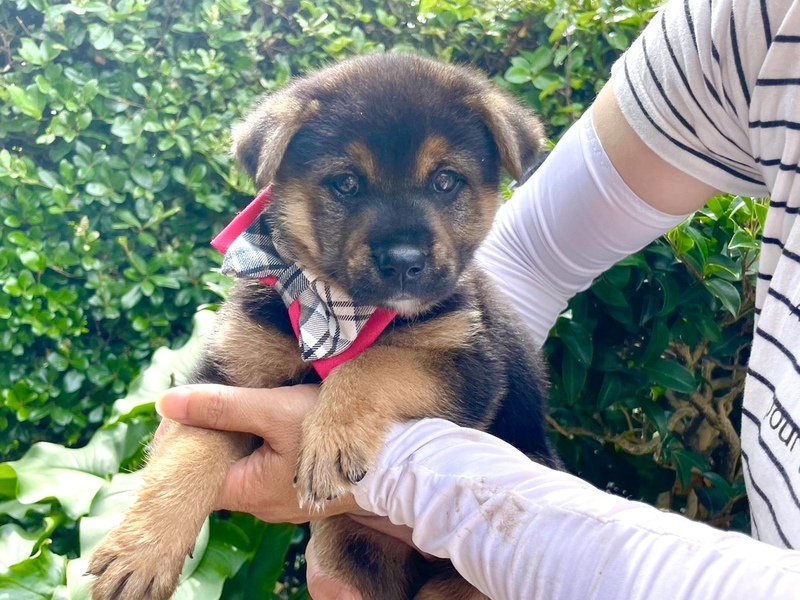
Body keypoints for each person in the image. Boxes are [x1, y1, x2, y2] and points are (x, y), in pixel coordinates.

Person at [156, 0, 800, 597]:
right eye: (346, 186)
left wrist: (382, 439)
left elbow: (467, 380)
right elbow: (216, 408)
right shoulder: (747, 24)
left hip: (503, 561)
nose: (404, 246)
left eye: (446, 182)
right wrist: (163, 511)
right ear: (279, 181)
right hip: (371, 544)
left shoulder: (451, 313)